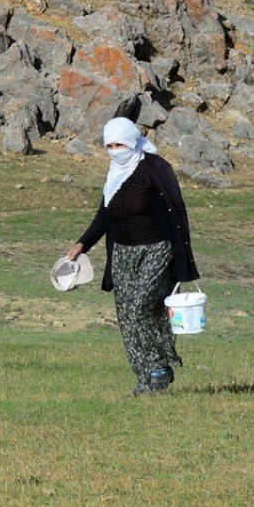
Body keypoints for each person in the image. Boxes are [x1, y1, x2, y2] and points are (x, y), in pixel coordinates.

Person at [65, 117, 200, 396]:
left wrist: (183, 256)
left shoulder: (155, 168)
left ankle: (160, 365)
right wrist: (81, 246)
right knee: (127, 318)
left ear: (132, 141)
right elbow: (104, 216)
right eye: (110, 145)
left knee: (141, 308)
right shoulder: (114, 175)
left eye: (120, 144)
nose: (116, 150)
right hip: (122, 254)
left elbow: (177, 209)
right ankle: (144, 382)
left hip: (157, 249)